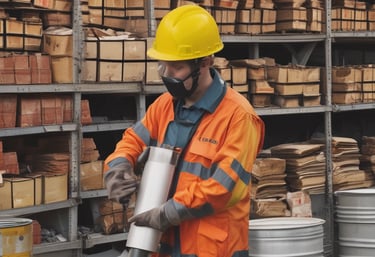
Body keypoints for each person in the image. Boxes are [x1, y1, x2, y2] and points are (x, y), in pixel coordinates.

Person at [103, 4, 265, 257]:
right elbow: (132, 140)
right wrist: (117, 168)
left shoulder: (238, 117)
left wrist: (168, 213)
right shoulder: (164, 106)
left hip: (210, 249)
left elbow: (224, 188)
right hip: (162, 245)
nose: (168, 75)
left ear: (205, 62)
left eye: (176, 67)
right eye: (164, 66)